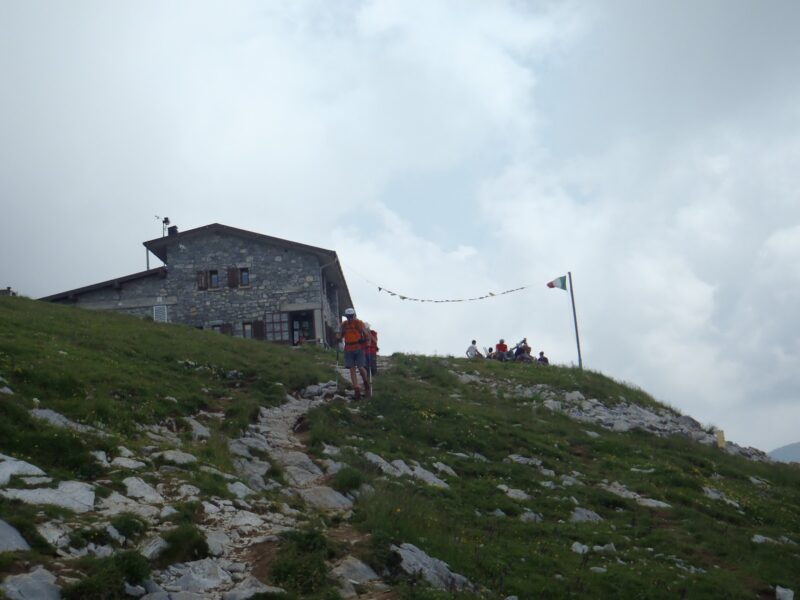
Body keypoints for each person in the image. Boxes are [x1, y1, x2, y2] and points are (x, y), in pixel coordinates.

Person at [338, 308, 371, 399]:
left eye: (351, 316)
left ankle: (365, 381)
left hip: (358, 347)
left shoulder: (359, 323)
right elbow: (340, 334)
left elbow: (366, 334)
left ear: (354, 315)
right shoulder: (344, 325)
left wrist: (367, 342)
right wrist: (338, 337)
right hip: (348, 348)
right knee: (352, 369)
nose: (349, 318)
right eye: (348, 316)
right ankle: (356, 389)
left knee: (361, 367)